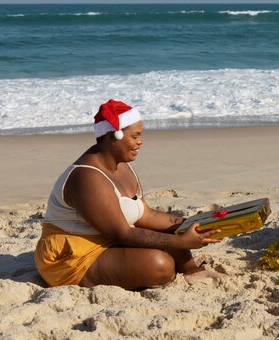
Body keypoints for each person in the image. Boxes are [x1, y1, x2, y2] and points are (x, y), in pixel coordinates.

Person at [35, 99, 223, 290]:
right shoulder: (87, 177)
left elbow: (147, 215)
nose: (140, 142)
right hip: (74, 253)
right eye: (135, 136)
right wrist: (181, 242)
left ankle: (191, 270)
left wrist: (189, 225)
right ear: (112, 136)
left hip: (109, 238)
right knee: (161, 265)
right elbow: (122, 233)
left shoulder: (123, 166)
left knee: (175, 228)